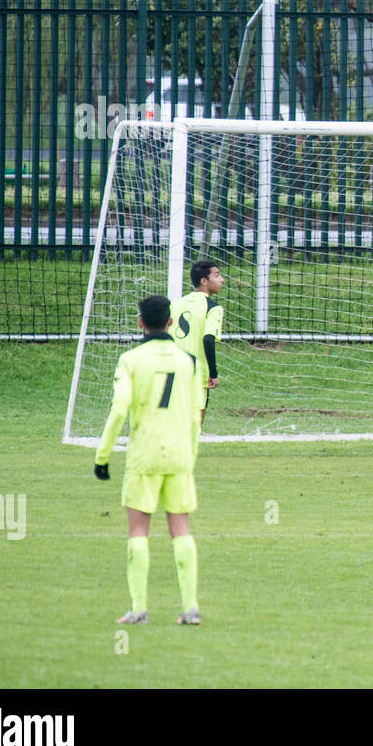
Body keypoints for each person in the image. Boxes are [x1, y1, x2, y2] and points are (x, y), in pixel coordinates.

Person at [94, 295, 203, 626]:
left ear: (140, 323)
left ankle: (139, 608)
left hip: (145, 455)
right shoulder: (189, 362)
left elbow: (118, 410)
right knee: (180, 529)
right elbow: (196, 416)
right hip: (181, 455)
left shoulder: (131, 360)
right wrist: (191, 456)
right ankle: (190, 608)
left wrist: (103, 455)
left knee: (138, 531)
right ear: (170, 323)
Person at [170, 259, 225, 424]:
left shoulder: (175, 304)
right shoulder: (213, 308)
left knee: (173, 416)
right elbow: (208, 339)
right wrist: (213, 374)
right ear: (204, 281)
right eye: (217, 275)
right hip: (195, 371)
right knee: (195, 423)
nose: (221, 279)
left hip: (171, 368)